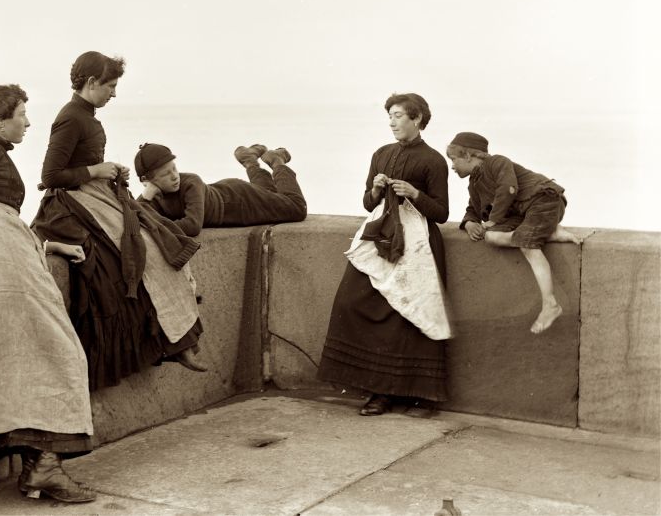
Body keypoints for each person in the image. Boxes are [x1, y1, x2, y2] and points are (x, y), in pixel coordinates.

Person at [0, 84, 96, 503]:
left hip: (7, 255)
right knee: (58, 353)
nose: (27, 122)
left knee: (38, 357)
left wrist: (46, 246)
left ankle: (40, 467)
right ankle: (44, 468)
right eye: (22, 114)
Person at [32, 51, 207, 390]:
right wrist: (95, 171)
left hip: (97, 195)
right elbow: (50, 174)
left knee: (159, 245)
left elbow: (80, 163)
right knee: (142, 255)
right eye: (110, 86)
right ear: (91, 83)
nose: (114, 93)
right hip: (75, 205)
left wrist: (110, 170)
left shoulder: (86, 115)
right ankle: (173, 344)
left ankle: (178, 342)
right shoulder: (70, 117)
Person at [317, 93, 452, 416]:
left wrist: (415, 193)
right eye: (389, 116)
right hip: (381, 238)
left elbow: (442, 212)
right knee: (353, 303)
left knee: (413, 314)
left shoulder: (433, 160)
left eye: (398, 116)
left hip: (417, 244)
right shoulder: (381, 153)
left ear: (417, 119)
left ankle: (419, 397)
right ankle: (378, 391)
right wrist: (376, 190)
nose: (391, 122)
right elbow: (368, 203)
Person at [446, 131, 579, 334]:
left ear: (468, 156)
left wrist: (492, 219)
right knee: (491, 237)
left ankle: (551, 304)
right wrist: (470, 223)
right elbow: (473, 208)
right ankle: (548, 234)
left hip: (544, 199)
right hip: (524, 216)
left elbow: (508, 187)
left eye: (453, 159)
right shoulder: (474, 184)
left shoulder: (497, 162)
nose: (452, 166)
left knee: (527, 244)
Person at [135, 142, 307, 236]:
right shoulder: (154, 195)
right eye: (166, 174)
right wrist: (146, 197)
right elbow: (134, 217)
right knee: (270, 195)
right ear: (146, 180)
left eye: (174, 168)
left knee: (296, 207)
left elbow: (193, 226)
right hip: (229, 192)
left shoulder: (190, 182)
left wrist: (157, 226)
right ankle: (250, 161)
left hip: (241, 201)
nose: (174, 176)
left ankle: (277, 161)